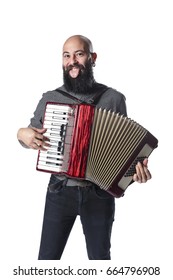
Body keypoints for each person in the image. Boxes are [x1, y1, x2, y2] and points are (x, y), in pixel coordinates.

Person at [17, 35, 151, 260]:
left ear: (92, 58)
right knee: (47, 260)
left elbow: (124, 148)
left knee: (100, 259)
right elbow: (29, 137)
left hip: (99, 194)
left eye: (79, 54)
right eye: (66, 56)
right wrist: (21, 133)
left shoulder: (113, 98)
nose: (72, 61)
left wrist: (134, 172)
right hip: (59, 191)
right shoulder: (51, 98)